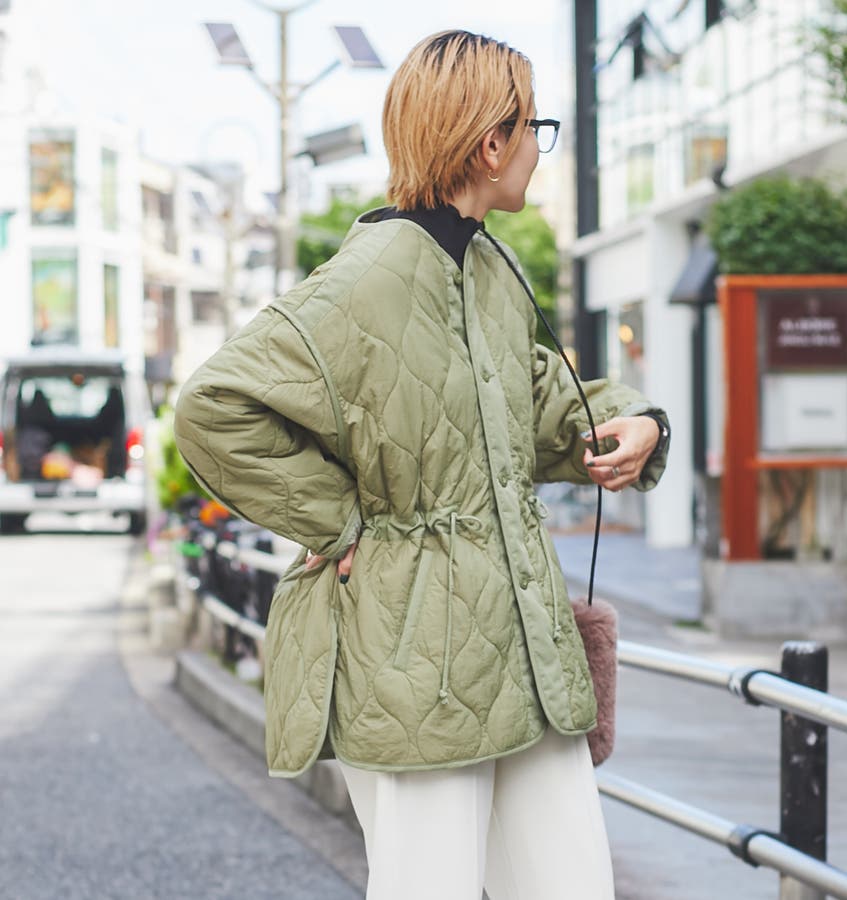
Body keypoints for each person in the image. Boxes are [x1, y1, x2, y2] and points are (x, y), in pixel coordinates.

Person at [174, 29, 670, 900]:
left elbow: (540, 405)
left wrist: (637, 422)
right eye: (534, 127)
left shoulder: (490, 267)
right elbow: (212, 408)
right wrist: (340, 523)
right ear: (491, 143)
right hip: (414, 665)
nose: (538, 147)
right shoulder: (368, 276)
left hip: (526, 652)